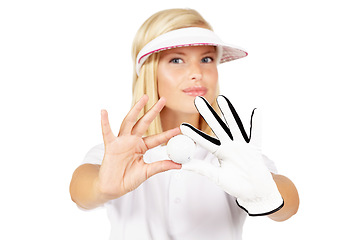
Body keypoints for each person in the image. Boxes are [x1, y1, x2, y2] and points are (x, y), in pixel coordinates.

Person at [69, 8, 299, 239]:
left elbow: (289, 205)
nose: (197, 73)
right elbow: (80, 192)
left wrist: (268, 194)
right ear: (150, 72)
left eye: (206, 58)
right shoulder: (116, 156)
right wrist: (102, 187)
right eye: (176, 59)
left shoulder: (234, 154)